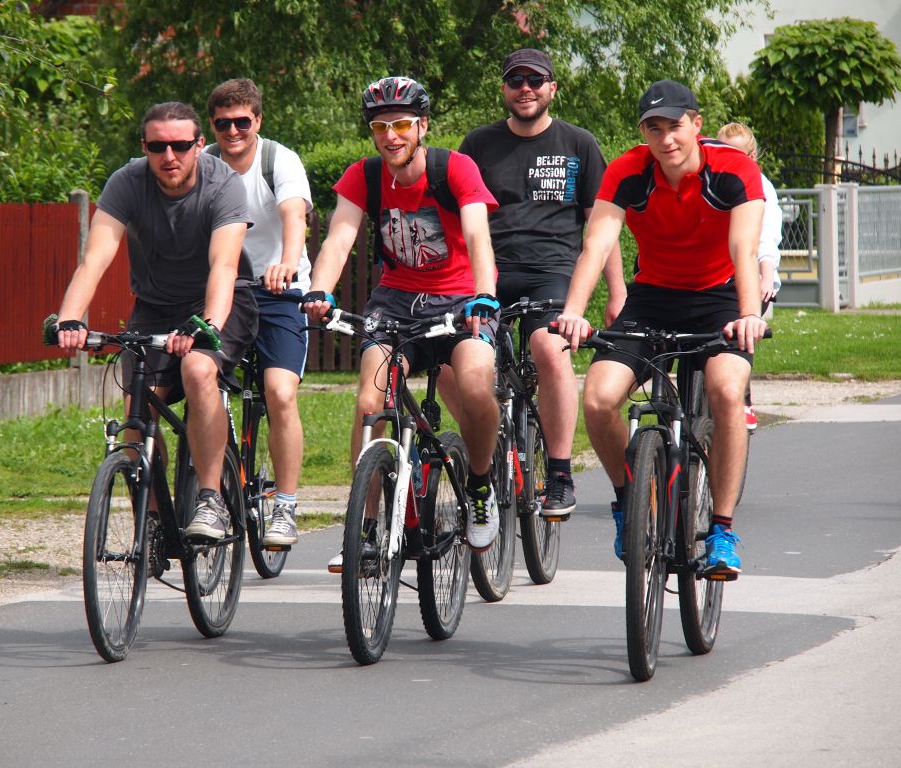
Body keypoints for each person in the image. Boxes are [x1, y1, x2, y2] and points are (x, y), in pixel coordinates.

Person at [553, 80, 767, 578]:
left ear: (696, 124)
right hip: (653, 298)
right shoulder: (628, 172)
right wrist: (575, 311)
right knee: (600, 398)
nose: (666, 138)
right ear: (643, 133)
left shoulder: (735, 170)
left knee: (727, 391)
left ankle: (721, 529)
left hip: (720, 298)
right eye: (654, 128)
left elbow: (743, 250)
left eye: (675, 126)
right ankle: (628, 502)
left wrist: (749, 313)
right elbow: (597, 245)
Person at [302, 76, 502, 569]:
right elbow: (337, 240)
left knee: (476, 384)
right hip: (395, 302)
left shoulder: (455, 168)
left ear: (422, 126)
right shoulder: (364, 176)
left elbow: (477, 235)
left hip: (460, 298)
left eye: (401, 124)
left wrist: (484, 295)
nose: (390, 135)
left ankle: (479, 484)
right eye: (380, 126)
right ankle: (365, 531)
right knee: (370, 402)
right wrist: (320, 290)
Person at [53, 101, 258, 543]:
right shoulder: (127, 183)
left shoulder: (224, 185)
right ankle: (152, 522)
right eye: (158, 146)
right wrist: (71, 318)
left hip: (220, 301)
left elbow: (223, 267)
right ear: (143, 147)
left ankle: (210, 500)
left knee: (199, 369)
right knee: (135, 422)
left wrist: (206, 325)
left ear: (200, 146)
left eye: (181, 146)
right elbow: (94, 260)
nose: (170, 156)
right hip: (155, 305)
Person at [457, 48, 626, 522]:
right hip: (489, 273)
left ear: (553, 87)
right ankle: (481, 464)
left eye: (535, 80)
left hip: (552, 271)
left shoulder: (579, 144)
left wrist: (617, 294)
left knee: (549, 350)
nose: (525, 88)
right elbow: (460, 220)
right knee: (464, 363)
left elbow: (601, 229)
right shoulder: (478, 145)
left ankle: (558, 472)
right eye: (515, 80)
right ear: (504, 89)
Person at [205, 78, 313, 546]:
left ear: (258, 121)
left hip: (277, 290)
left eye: (242, 122)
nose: (233, 131)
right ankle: (208, 490)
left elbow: (295, 217)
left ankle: (285, 506)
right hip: (223, 290)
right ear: (213, 125)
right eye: (224, 123)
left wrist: (287, 264)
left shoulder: (279, 160)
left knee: (279, 392)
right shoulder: (203, 164)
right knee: (201, 381)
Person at [716, 121, 783, 431]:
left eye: (737, 155)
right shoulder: (709, 179)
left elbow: (765, 240)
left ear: (751, 156)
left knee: (740, 326)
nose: (728, 160)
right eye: (722, 152)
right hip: (713, 274)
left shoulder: (760, 186)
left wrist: (765, 278)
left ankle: (742, 398)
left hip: (751, 274)